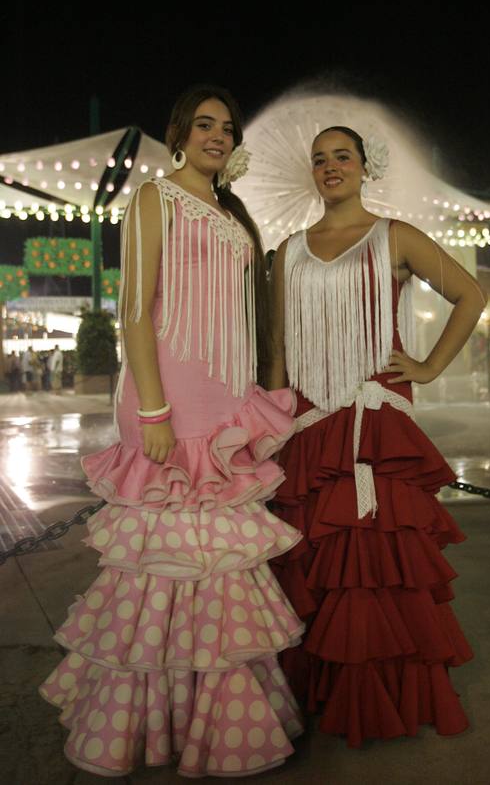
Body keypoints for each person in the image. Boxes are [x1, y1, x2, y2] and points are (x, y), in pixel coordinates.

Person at [40, 85, 304, 778]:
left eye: (227, 126)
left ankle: (212, 718)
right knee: (169, 557)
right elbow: (135, 308)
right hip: (169, 401)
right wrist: (152, 410)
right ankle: (148, 723)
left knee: (218, 563)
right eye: (205, 124)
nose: (218, 135)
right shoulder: (155, 197)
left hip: (222, 400)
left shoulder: (233, 211)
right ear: (180, 133)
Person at [268, 125, 487, 748]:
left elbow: (471, 295)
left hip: (374, 430)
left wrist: (428, 366)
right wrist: (275, 422)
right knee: (313, 568)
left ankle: (381, 698)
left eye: (343, 157)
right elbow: (280, 347)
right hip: (310, 431)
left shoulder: (397, 237)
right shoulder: (288, 250)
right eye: (320, 160)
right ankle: (322, 694)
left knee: (376, 570)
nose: (331, 167)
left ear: (365, 167)